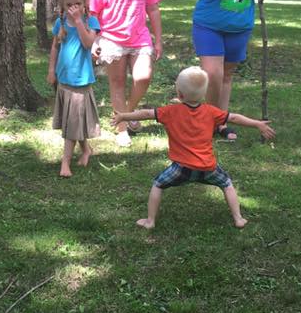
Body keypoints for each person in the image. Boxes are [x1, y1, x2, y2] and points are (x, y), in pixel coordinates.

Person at [112, 66, 275, 229]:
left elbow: (147, 114)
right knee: (227, 184)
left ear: (179, 94)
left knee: (157, 184)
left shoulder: (170, 111)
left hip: (182, 168)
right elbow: (234, 118)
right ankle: (238, 219)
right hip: (208, 167)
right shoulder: (211, 111)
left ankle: (150, 221)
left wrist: (124, 116)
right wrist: (257, 123)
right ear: (203, 94)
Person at [192, 0, 270, 141]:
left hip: (239, 29)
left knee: (226, 76)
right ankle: (209, 120)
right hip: (209, 26)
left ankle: (220, 122)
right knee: (213, 75)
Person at [90, 0, 163, 148]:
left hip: (140, 38)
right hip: (112, 38)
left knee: (143, 77)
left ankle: (127, 113)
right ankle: (122, 129)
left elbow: (153, 9)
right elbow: (93, 13)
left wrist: (158, 40)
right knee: (118, 83)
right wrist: (94, 40)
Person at [47, 0, 101, 177]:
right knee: (73, 120)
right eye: (69, 4)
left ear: (84, 4)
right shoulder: (60, 23)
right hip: (64, 79)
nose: (73, 8)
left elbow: (88, 44)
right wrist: (51, 70)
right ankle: (86, 150)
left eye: (77, 4)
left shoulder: (91, 22)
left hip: (81, 81)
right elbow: (55, 47)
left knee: (72, 121)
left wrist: (78, 22)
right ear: (63, 5)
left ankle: (65, 163)